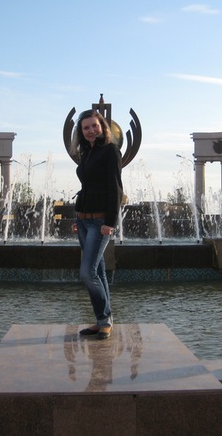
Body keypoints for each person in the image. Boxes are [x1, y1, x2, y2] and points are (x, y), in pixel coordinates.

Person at [70, 109, 123, 340]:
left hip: (100, 221)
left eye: (95, 125)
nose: (91, 130)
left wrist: (110, 222)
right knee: (98, 272)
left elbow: (115, 188)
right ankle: (103, 320)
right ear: (81, 132)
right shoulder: (86, 152)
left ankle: (104, 319)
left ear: (102, 126)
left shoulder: (110, 150)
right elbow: (87, 188)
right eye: (86, 127)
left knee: (87, 272)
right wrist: (78, 216)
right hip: (83, 220)